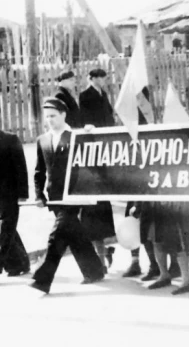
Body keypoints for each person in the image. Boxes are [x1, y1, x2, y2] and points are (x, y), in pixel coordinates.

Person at [30, 98, 104, 294]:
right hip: (53, 196)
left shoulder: (76, 136)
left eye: (53, 116)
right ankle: (95, 270)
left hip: (74, 195)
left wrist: (91, 133)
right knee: (73, 233)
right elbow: (39, 171)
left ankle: (42, 278)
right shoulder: (42, 140)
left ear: (64, 115)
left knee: (56, 236)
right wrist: (39, 194)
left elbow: (93, 157)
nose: (50, 120)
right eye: (47, 117)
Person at [79, 68, 116, 273]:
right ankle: (100, 255)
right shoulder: (86, 96)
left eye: (104, 78)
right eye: (101, 78)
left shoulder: (103, 94)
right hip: (94, 143)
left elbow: (108, 116)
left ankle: (104, 251)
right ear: (92, 79)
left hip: (106, 143)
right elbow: (86, 120)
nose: (103, 81)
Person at [0, 127, 30, 277]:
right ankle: (19, 263)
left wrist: (23, 193)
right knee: (8, 230)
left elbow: (21, 167)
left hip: (9, 193)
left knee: (6, 228)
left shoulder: (10, 139)